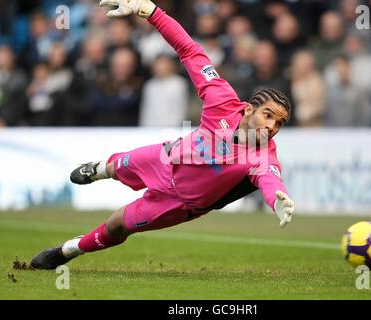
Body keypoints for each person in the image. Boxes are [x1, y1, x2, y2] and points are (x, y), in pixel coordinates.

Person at [30, 0, 295, 270]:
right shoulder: (221, 98)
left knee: (117, 225)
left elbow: (270, 181)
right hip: (165, 157)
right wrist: (153, 13)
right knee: (115, 167)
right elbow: (190, 50)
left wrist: (277, 200)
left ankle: (67, 251)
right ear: (249, 108)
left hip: (179, 203)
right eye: (268, 115)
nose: (272, 126)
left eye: (280, 123)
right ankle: (99, 168)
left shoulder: (264, 157)